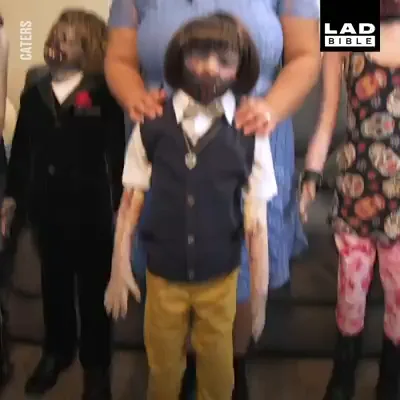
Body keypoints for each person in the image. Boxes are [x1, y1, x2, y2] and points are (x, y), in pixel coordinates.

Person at [105, 0, 320, 398]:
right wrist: (137, 99)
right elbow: (118, 58)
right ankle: (179, 371)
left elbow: (307, 55)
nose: (207, 68)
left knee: (238, 269)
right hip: (163, 143)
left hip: (250, 132)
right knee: (169, 258)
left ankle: (228, 368)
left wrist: (270, 109)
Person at [2, 9, 125, 399]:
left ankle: (96, 365)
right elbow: (22, 155)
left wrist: (121, 206)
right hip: (47, 212)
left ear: (90, 49)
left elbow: (117, 155)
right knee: (54, 285)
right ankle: (57, 350)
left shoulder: (104, 95)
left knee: (93, 295)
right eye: (55, 36)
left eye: (68, 39)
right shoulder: (34, 94)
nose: (57, 43)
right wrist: (11, 199)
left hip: (91, 214)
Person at [300, 1, 400, 399]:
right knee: (350, 291)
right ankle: (343, 373)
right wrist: (311, 174)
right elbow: (327, 116)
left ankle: (391, 377)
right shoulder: (346, 25)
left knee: (399, 294)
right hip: (355, 188)